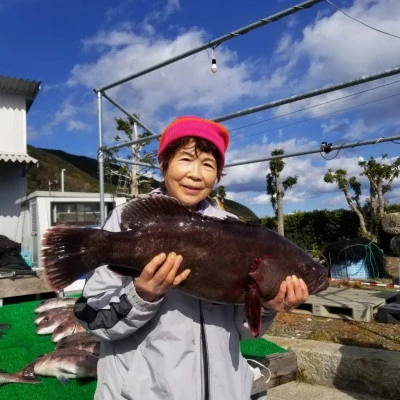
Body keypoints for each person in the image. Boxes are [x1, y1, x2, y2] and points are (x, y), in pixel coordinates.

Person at [74, 116, 309, 400]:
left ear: (218, 175)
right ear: (164, 165)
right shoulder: (125, 222)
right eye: (185, 159)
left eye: (208, 165)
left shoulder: (235, 228)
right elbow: (93, 319)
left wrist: (268, 305)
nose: (196, 174)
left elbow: (245, 332)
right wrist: (140, 295)